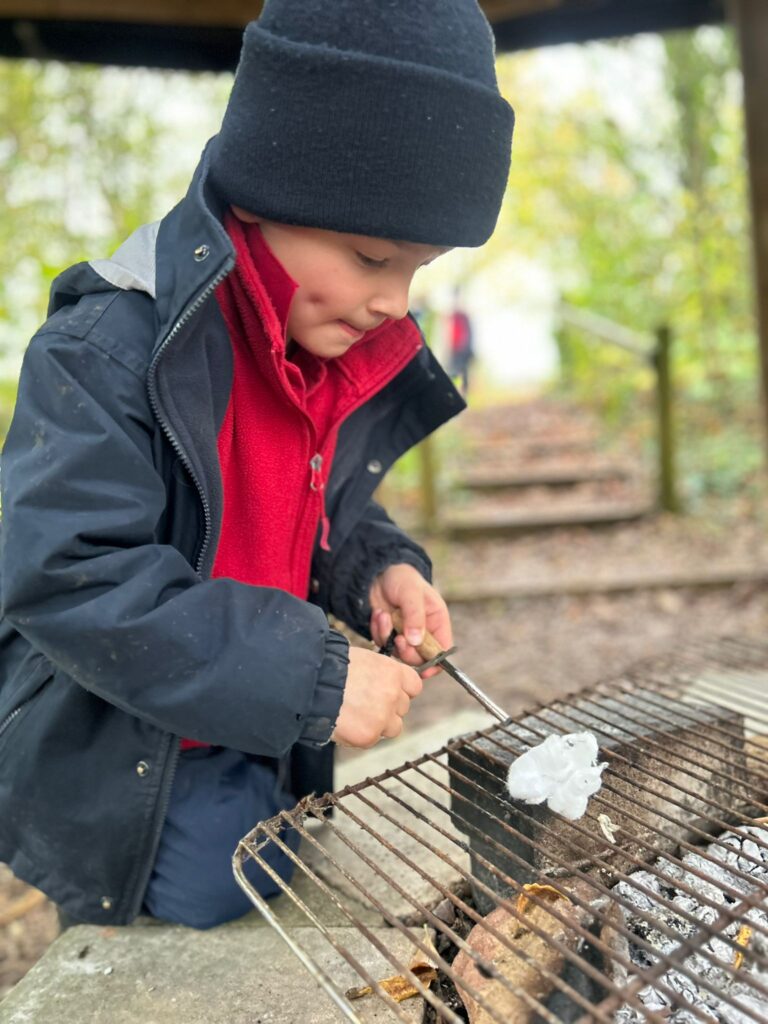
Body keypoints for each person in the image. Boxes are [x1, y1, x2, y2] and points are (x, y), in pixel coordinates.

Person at [0, 0, 514, 929]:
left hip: (250, 712)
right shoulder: (106, 350)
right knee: (226, 892)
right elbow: (70, 576)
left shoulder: (315, 355)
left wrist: (378, 571)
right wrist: (314, 679)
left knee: (283, 862)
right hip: (123, 745)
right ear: (266, 193)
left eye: (419, 268)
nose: (393, 303)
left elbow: (310, 513)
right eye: (370, 256)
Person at [447, 289, 476, 397]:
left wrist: (468, 349)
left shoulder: (464, 316)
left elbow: (470, 333)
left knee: (463, 373)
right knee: (453, 372)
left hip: (462, 349)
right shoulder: (450, 316)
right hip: (453, 349)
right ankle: (456, 394)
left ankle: (463, 394)